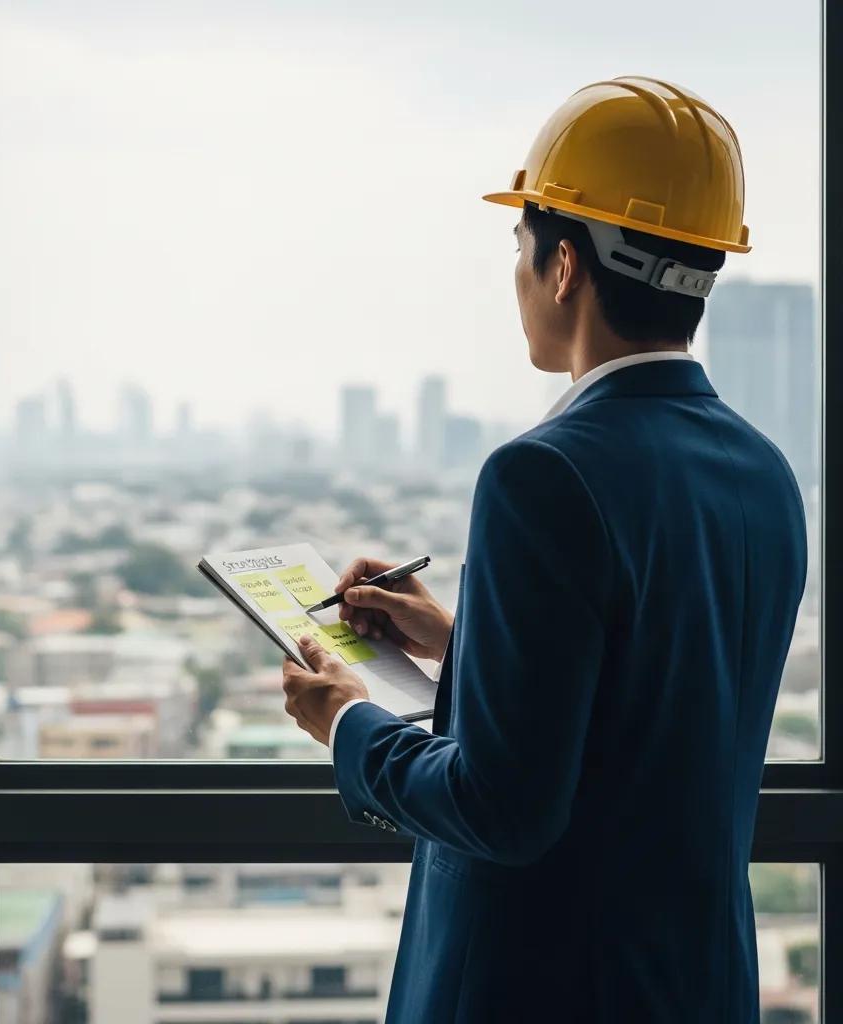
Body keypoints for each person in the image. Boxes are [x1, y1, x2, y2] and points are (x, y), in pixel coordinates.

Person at [281, 76, 807, 1022]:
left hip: (542, 987)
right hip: (696, 982)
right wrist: (462, 639)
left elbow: (503, 808)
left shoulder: (543, 475)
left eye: (521, 249)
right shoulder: (763, 474)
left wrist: (348, 724)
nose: (519, 276)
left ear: (565, 267)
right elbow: (653, 705)